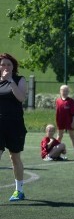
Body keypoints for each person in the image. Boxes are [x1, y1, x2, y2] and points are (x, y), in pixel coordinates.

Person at [0, 53, 28, 202]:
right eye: (3, 64)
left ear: (13, 67)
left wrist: (10, 81)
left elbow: (21, 98)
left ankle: (19, 190)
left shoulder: (19, 80)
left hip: (15, 125)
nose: (6, 67)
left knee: (14, 157)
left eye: (9, 64)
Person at [55, 84, 74, 158]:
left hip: (69, 121)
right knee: (59, 136)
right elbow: (57, 112)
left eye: (66, 91)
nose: (64, 92)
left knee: (72, 136)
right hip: (60, 122)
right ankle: (55, 151)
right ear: (60, 91)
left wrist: (73, 122)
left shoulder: (71, 101)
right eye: (62, 90)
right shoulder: (58, 101)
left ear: (68, 92)